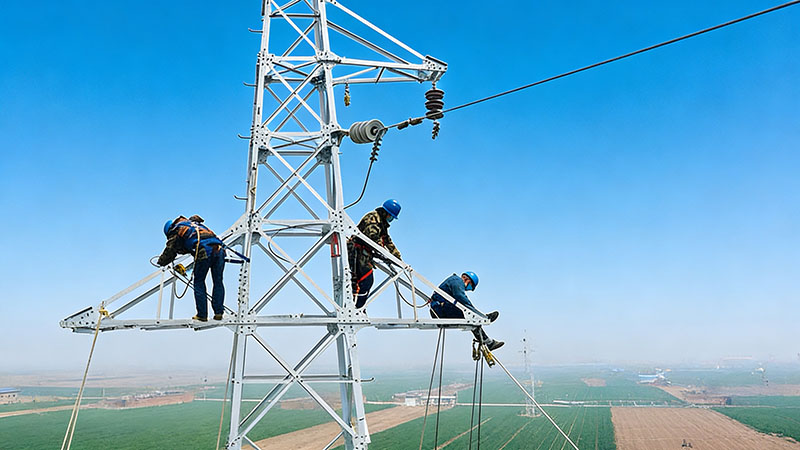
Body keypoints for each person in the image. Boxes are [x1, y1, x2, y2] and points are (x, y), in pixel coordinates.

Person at [158, 215, 225, 322]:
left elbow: (170, 250)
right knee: (218, 281)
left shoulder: (176, 230)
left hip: (204, 250)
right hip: (219, 249)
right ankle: (218, 312)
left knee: (199, 282)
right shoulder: (193, 224)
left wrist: (161, 261)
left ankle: (202, 314)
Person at [347, 199, 403, 308]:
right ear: (386, 213)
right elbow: (372, 238)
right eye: (390, 217)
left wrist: (397, 257)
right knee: (362, 281)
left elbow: (387, 240)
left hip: (364, 254)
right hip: (356, 252)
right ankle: (357, 308)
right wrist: (384, 253)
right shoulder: (372, 219)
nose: (390, 220)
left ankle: (359, 308)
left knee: (366, 281)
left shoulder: (382, 223)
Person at [429, 271, 504, 351]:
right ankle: (485, 321)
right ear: (467, 280)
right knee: (471, 316)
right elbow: (461, 298)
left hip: (441, 310)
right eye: (470, 286)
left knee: (473, 319)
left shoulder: (454, 281)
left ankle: (489, 342)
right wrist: (481, 316)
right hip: (441, 310)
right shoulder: (457, 280)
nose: (467, 289)